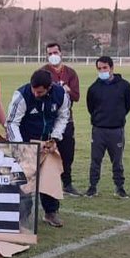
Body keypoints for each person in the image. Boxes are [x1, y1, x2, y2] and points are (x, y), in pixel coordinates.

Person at [6, 69, 71, 227]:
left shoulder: (61, 95)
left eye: (40, 92)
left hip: (47, 144)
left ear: (49, 88)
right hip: (26, 143)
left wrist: (55, 137)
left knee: (50, 177)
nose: (36, 94)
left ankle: (51, 212)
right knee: (24, 180)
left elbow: (63, 116)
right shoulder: (21, 96)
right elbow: (12, 122)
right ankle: (23, 216)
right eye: (34, 90)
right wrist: (21, 146)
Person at [85, 55, 130, 198]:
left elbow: (128, 104)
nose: (102, 71)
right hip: (99, 130)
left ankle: (119, 187)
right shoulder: (93, 88)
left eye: (105, 68)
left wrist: (118, 117)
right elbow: (91, 107)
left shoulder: (124, 86)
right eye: (99, 68)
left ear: (112, 68)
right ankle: (92, 187)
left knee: (117, 161)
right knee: (95, 160)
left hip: (116, 130)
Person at [41, 42, 83, 196]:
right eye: (50, 53)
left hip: (66, 119)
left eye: (55, 52)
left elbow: (76, 96)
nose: (53, 56)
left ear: (61, 53)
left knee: (67, 152)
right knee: (47, 150)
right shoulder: (43, 72)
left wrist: (67, 89)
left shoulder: (70, 73)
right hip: (48, 119)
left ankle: (67, 183)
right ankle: (46, 183)